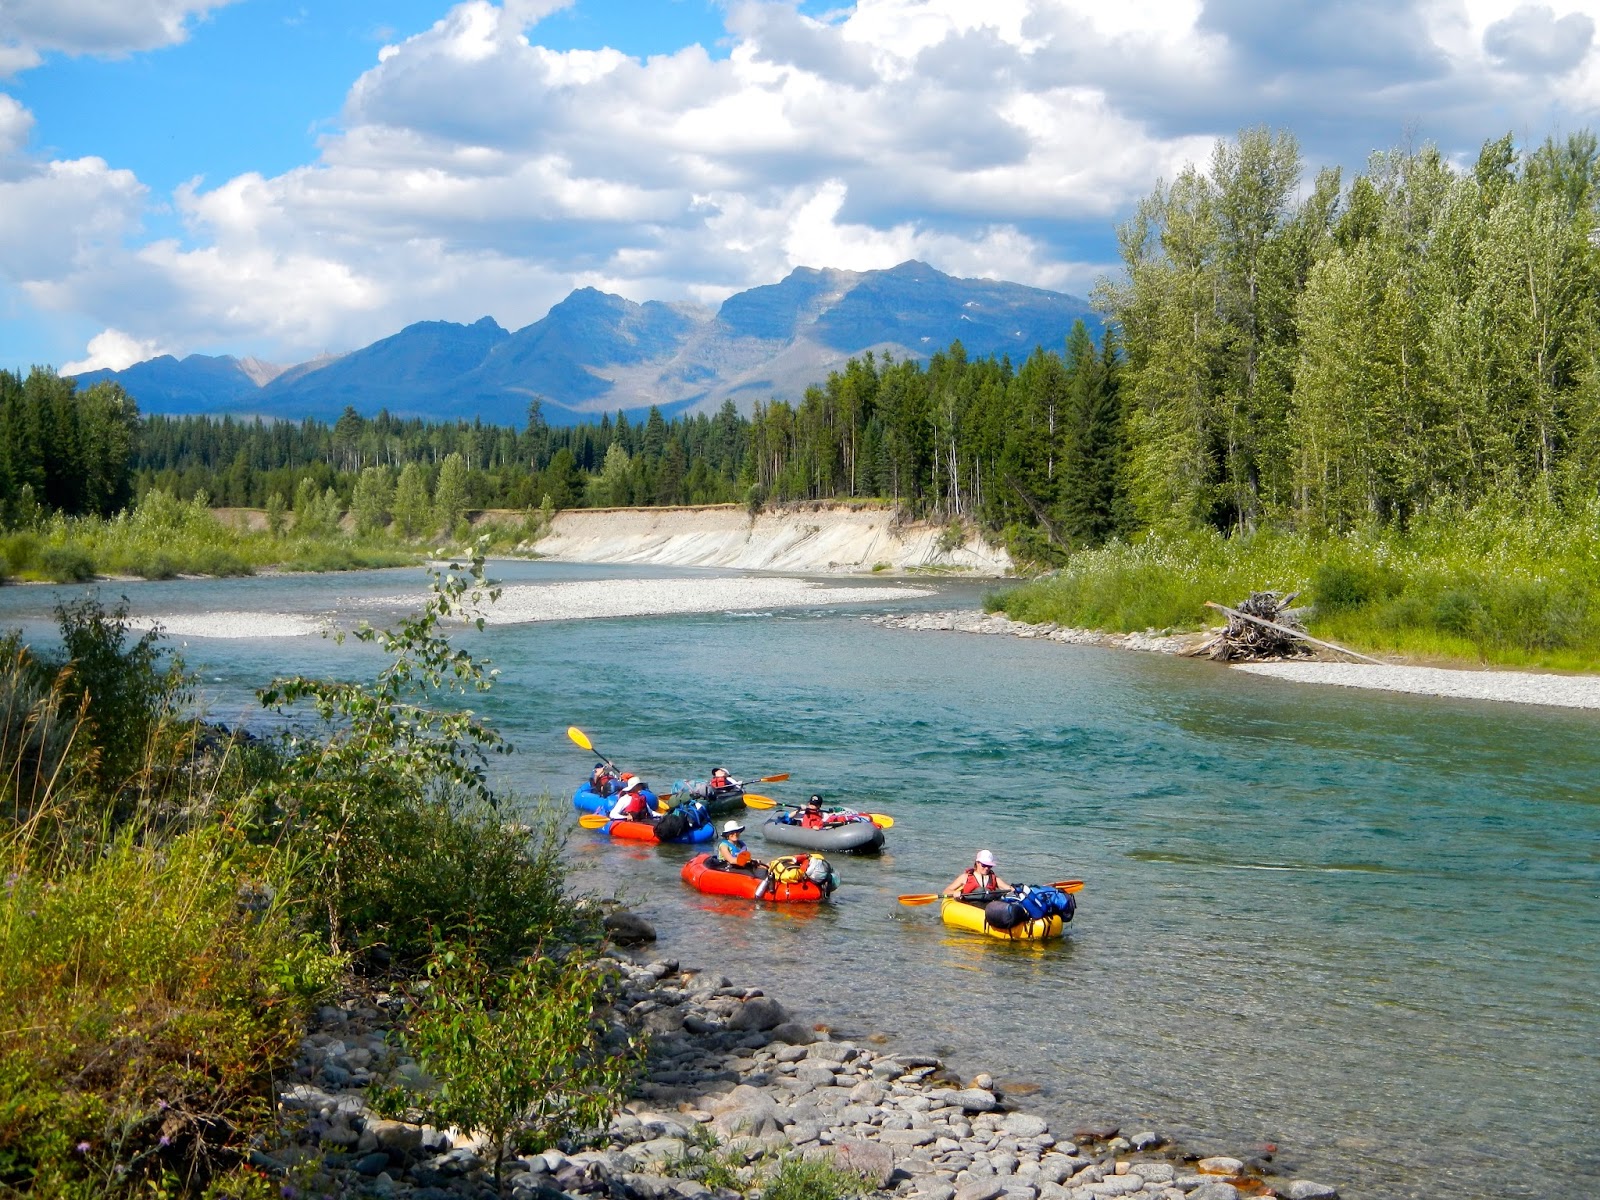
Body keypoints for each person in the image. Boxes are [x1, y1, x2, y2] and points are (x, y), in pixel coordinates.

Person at [942, 850, 1010, 897]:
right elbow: (946, 891)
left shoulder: (994, 878)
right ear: (977, 863)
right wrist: (954, 893)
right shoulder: (965, 877)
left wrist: (1016, 889)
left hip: (987, 907)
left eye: (989, 866)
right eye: (984, 865)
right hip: (969, 905)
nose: (987, 868)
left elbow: (1008, 888)